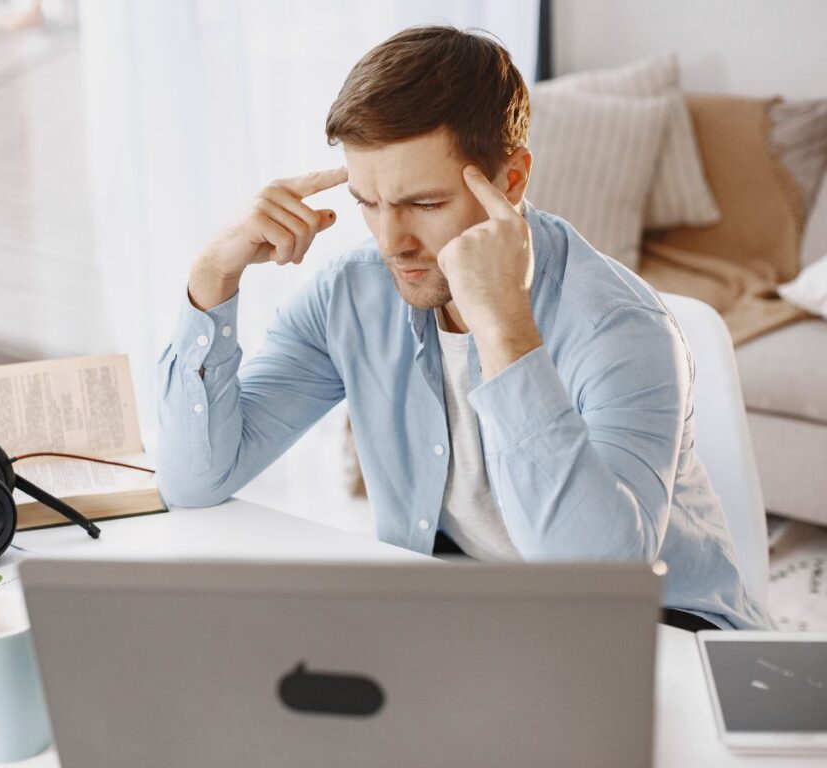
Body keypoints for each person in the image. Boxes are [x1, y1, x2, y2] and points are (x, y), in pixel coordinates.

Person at [155, 25, 770, 631]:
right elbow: (194, 479)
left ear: (511, 179)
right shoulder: (351, 293)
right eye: (369, 203)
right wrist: (213, 275)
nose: (392, 243)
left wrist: (503, 324)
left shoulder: (621, 327)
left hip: (660, 634)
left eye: (424, 204)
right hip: (479, 619)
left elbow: (599, 583)